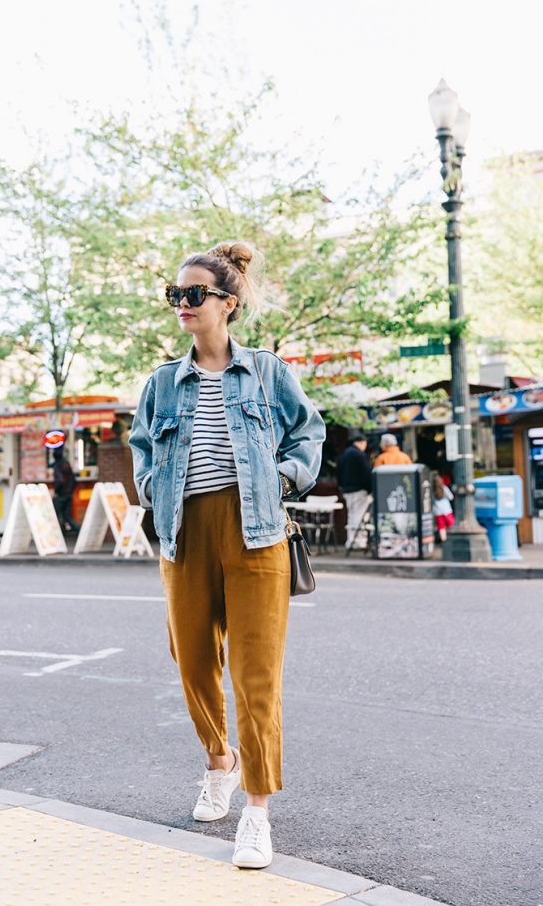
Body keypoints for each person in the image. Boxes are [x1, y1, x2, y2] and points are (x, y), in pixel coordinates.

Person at [129, 241, 325, 869]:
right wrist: (157, 489)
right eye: (175, 295)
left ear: (228, 303)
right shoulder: (163, 382)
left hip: (258, 528)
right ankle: (220, 761)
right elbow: (141, 449)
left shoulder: (267, 372)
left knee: (256, 674)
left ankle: (258, 812)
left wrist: (284, 479)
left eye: (195, 295)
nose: (182, 305)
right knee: (191, 659)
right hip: (186, 530)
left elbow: (309, 430)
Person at [336, 434, 371, 549]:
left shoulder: (344, 454)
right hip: (359, 489)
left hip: (346, 490)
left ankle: (350, 540)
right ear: (362, 442)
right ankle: (359, 541)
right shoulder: (360, 455)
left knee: (351, 514)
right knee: (360, 515)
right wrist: (370, 489)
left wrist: (341, 486)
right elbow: (366, 473)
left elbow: (338, 472)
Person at [52, 447, 78, 533]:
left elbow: (60, 480)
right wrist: (70, 490)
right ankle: (78, 530)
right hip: (68, 493)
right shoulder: (66, 464)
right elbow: (73, 479)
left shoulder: (57, 466)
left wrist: (56, 491)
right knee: (67, 516)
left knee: (56, 514)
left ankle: (58, 533)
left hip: (61, 494)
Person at [432, 471, 455, 542]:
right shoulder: (444, 488)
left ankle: (444, 542)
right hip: (447, 510)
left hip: (437, 512)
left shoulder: (432, 491)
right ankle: (452, 540)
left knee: (441, 528)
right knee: (451, 526)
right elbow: (451, 497)